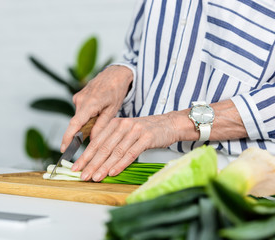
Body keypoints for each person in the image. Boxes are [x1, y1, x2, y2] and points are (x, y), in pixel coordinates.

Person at [61, 0, 275, 182]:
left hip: (243, 181)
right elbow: (138, 52)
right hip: (145, 172)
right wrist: (122, 73)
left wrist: (175, 124)